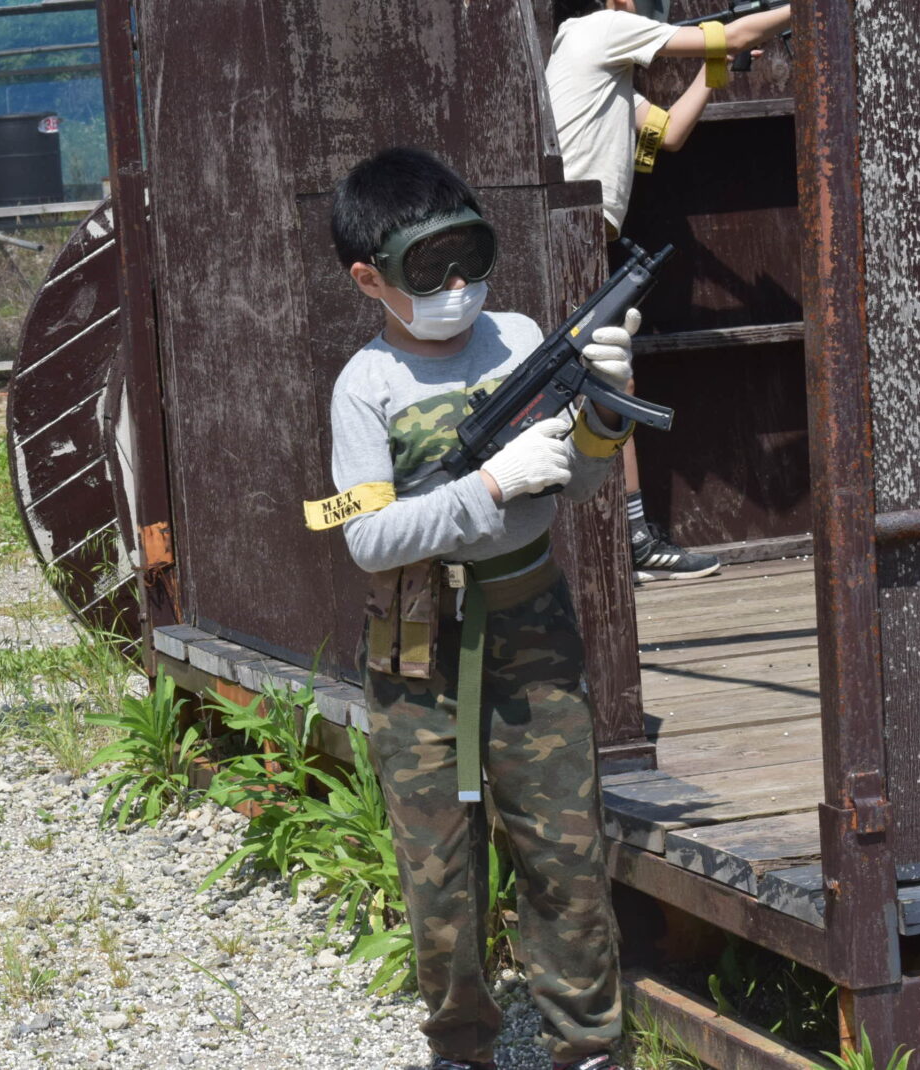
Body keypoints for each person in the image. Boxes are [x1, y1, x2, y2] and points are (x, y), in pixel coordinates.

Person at [321, 146, 638, 1070]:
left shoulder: (520, 339)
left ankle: (590, 1044)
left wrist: (606, 412)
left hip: (530, 619)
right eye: (430, 268)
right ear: (370, 279)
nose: (458, 285)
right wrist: (489, 486)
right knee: (439, 874)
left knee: (564, 850)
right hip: (416, 646)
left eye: (471, 256)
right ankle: (460, 1046)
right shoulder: (365, 386)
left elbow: (579, 484)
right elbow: (367, 536)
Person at [546, 0, 791, 582]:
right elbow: (737, 32)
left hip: (580, 238)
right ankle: (630, 539)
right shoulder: (601, 28)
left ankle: (626, 537)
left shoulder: (590, 55)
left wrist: (715, 66)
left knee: (605, 383)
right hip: (571, 237)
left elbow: (668, 134)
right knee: (606, 383)